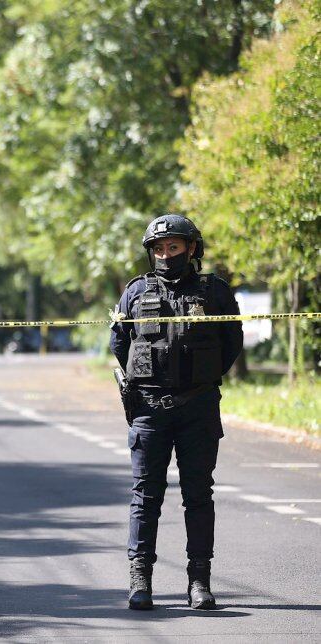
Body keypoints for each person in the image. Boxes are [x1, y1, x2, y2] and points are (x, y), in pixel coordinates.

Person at [110, 214, 242, 611]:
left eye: (174, 247)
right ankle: (140, 579)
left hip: (198, 408)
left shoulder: (214, 291)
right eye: (159, 249)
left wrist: (198, 381)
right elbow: (120, 344)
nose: (166, 255)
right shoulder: (135, 292)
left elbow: (230, 345)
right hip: (149, 410)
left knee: (198, 496)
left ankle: (199, 581)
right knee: (145, 497)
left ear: (192, 249)